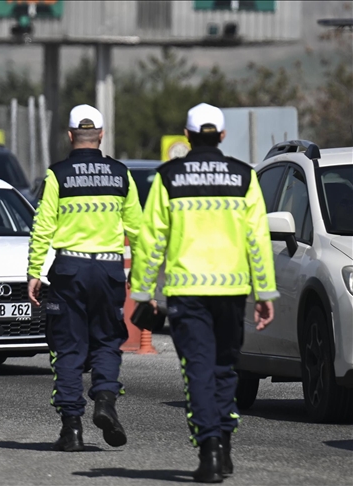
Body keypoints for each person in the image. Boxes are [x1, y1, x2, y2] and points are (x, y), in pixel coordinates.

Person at [130, 103, 277, 483]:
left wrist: (143, 292)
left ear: (187, 136)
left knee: (197, 368)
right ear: (223, 136)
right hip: (232, 291)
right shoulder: (245, 177)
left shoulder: (168, 177)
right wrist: (265, 292)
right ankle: (224, 442)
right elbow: (257, 239)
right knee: (225, 368)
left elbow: (151, 238)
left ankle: (210, 449)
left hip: (187, 292)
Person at [27, 105, 143, 452]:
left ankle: (72, 429)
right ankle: (105, 400)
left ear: (70, 135)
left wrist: (34, 271)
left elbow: (43, 227)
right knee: (107, 340)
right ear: (102, 135)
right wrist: (140, 269)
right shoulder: (120, 173)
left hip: (69, 271)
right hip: (108, 270)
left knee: (68, 348)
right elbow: (138, 228)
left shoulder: (57, 175)